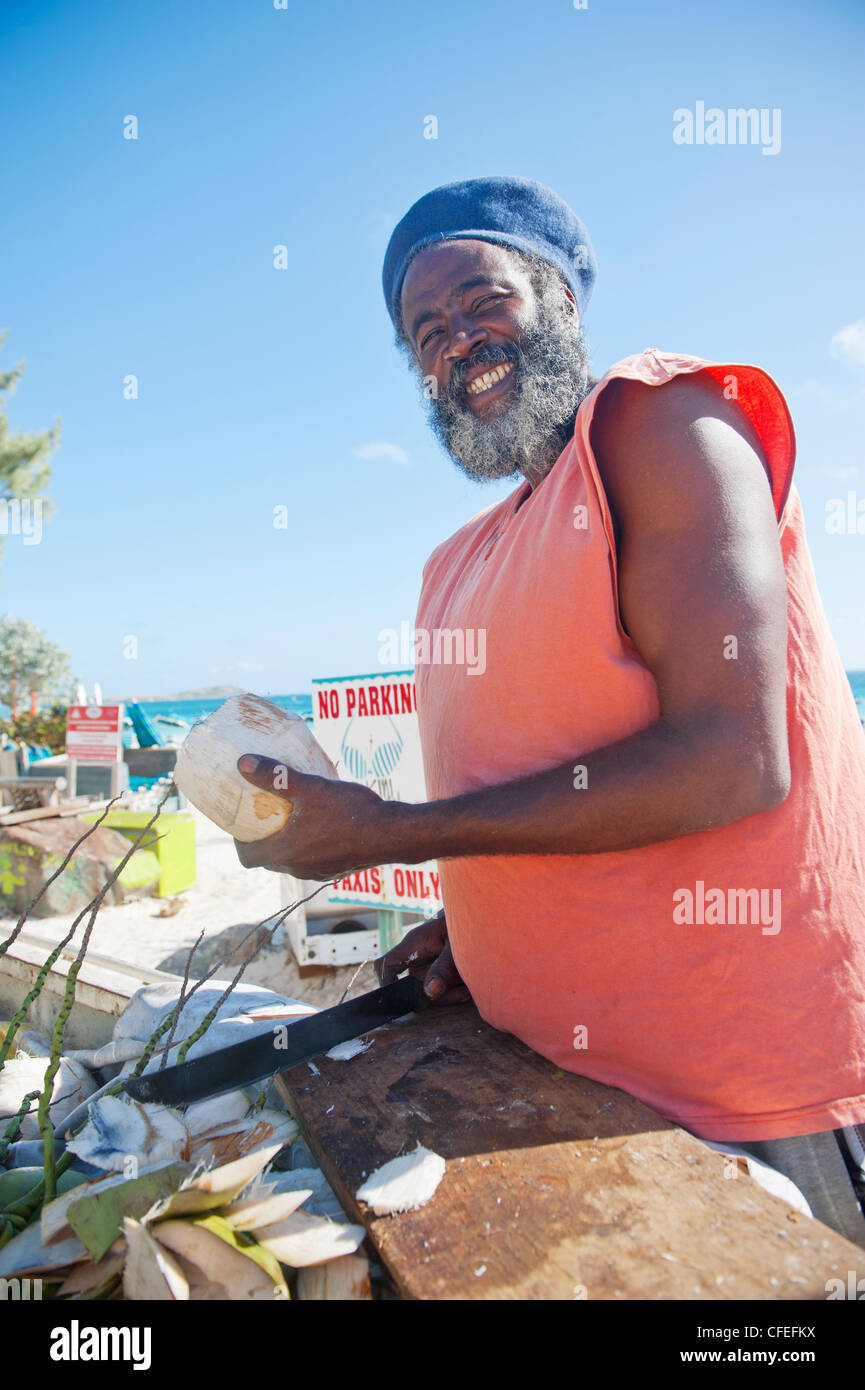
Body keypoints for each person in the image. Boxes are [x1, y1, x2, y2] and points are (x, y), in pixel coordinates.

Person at [235, 177, 865, 1245]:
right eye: (426, 333)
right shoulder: (456, 561)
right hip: (547, 1068)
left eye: (483, 302)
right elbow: (546, 776)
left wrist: (390, 834)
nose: (457, 343)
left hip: (741, 1077)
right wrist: (476, 920)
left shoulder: (656, 421)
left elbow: (731, 759)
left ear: (562, 302)